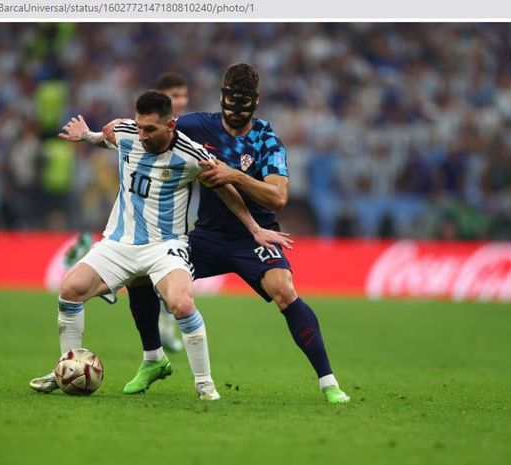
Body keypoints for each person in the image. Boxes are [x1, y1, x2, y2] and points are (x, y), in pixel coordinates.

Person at [102, 64, 349, 404]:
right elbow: (152, 131)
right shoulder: (195, 125)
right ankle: (153, 360)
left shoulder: (266, 141)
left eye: (243, 102)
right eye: (231, 100)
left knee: (284, 290)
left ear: (255, 101)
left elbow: (277, 197)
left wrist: (235, 175)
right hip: (206, 235)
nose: (235, 109)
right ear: (222, 97)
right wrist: (110, 130)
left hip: (255, 236)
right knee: (142, 274)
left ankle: (329, 382)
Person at [29, 91, 292, 400]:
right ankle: (68, 368)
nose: (142, 135)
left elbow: (226, 189)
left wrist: (255, 228)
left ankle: (205, 385)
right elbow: (106, 138)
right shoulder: (126, 132)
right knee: (70, 289)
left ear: (170, 125)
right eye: (140, 126)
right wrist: (85, 134)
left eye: (150, 130)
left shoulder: (192, 154)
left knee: (182, 303)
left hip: (165, 247)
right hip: (118, 242)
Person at [64, 71, 191, 353]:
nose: (179, 100)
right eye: (174, 96)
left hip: (174, 230)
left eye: (183, 95)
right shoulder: (139, 129)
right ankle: (153, 351)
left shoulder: (195, 132)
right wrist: (88, 134)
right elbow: (113, 136)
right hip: (129, 234)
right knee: (140, 285)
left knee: (177, 293)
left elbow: (215, 172)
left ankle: (168, 339)